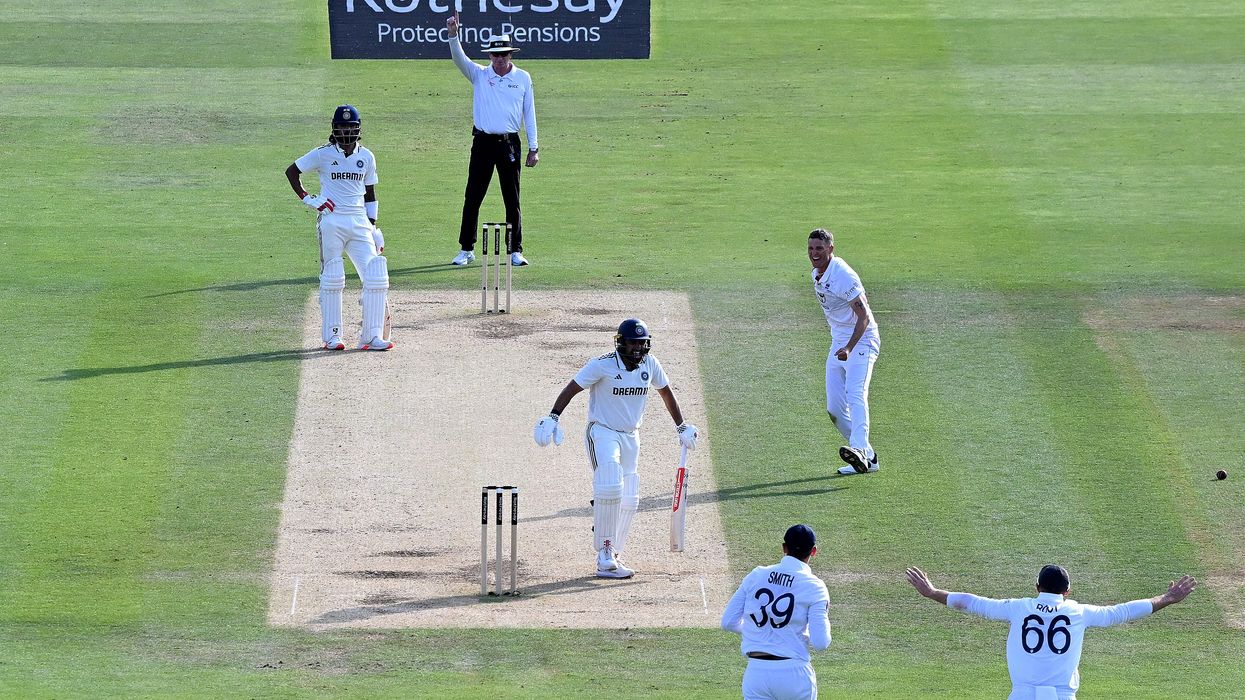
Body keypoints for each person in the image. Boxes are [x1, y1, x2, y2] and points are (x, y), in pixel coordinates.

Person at [533, 319, 699, 578]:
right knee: (610, 483)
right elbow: (573, 387)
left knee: (629, 496)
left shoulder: (650, 364)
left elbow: (666, 393)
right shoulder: (602, 364)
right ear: (621, 342)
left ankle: (614, 554)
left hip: (632, 436)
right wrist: (553, 416)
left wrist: (682, 426)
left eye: (642, 344)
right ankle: (604, 553)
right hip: (602, 431)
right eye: (633, 343)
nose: (638, 349)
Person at [906, 565, 1197, 700]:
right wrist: (1167, 599)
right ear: (1067, 592)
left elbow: (971, 603)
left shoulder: (1018, 608)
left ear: (1036, 588)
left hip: (1021, 696)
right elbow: (1121, 612)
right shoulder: (1078, 612)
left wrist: (932, 592)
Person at [285, 105, 393, 351]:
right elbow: (292, 171)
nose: (346, 131)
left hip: (359, 221)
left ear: (358, 129)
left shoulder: (366, 156)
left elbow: (370, 193)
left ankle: (371, 336)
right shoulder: (322, 154)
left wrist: (373, 226)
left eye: (350, 127)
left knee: (374, 276)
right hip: (332, 219)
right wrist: (308, 198)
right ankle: (332, 336)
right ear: (334, 128)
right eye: (342, 126)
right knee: (332, 277)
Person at [445, 11, 539, 268]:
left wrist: (534, 147)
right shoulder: (479, 74)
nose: (499, 59)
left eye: (503, 54)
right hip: (483, 143)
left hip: (509, 144)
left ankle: (515, 250)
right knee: (473, 196)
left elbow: (528, 112)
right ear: (490, 56)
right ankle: (466, 249)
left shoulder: (522, 78)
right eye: (495, 55)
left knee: (512, 198)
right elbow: (458, 58)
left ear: (511, 55)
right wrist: (453, 34)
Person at [721, 524, 831, 700]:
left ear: (784, 548)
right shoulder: (814, 586)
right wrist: (792, 634)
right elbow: (821, 643)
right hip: (794, 674)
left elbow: (728, 622)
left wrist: (759, 631)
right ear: (814, 551)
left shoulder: (757, 575)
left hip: (756, 674)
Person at [807, 228, 880, 475]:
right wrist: (842, 345)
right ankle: (867, 457)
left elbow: (865, 316)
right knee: (835, 409)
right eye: (811, 248)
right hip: (839, 344)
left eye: (819, 248)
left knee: (855, 394)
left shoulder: (843, 276)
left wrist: (849, 347)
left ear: (831, 249)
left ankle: (859, 449)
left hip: (861, 342)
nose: (814, 253)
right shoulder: (817, 274)